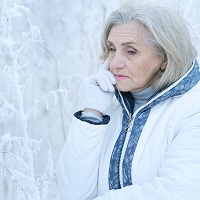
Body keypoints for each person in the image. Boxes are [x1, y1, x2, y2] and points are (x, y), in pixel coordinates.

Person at [56, 0, 200, 199]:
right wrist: (92, 113)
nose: (115, 63)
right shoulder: (111, 108)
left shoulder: (193, 108)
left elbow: (179, 191)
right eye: (112, 49)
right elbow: (72, 193)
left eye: (130, 51)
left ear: (164, 57)